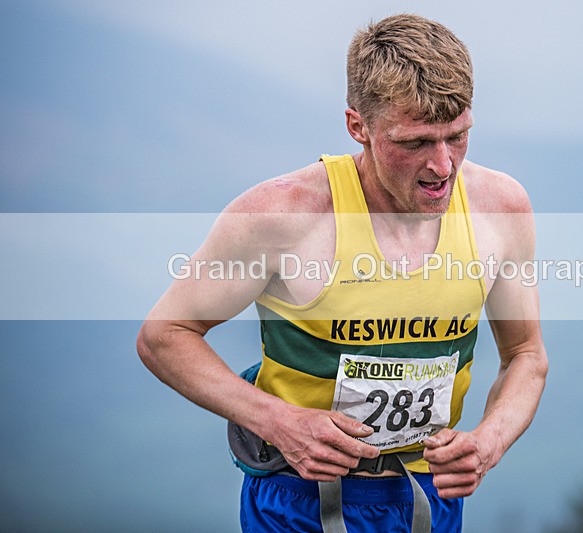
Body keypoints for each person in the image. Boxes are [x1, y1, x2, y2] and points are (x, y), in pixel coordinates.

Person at [137, 13, 548, 533]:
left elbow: (526, 357)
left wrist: (489, 442)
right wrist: (281, 423)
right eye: (415, 142)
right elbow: (164, 336)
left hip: (428, 498)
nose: (443, 166)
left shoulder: (500, 207)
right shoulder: (284, 214)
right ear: (358, 126)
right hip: (298, 497)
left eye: (458, 136)